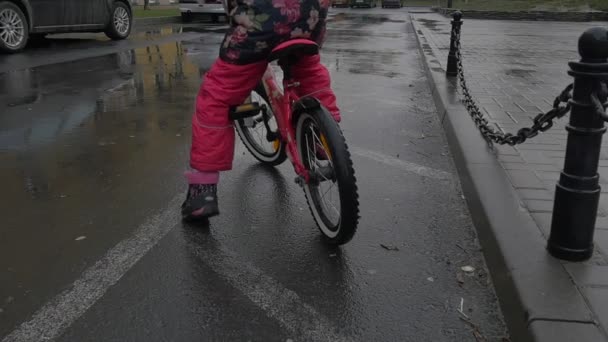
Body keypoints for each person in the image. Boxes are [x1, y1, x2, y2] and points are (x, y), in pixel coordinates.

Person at [181, 0, 341, 220]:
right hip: (311, 18)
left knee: (216, 96)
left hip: (263, 23)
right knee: (309, 71)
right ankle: (323, 138)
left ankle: (201, 194)